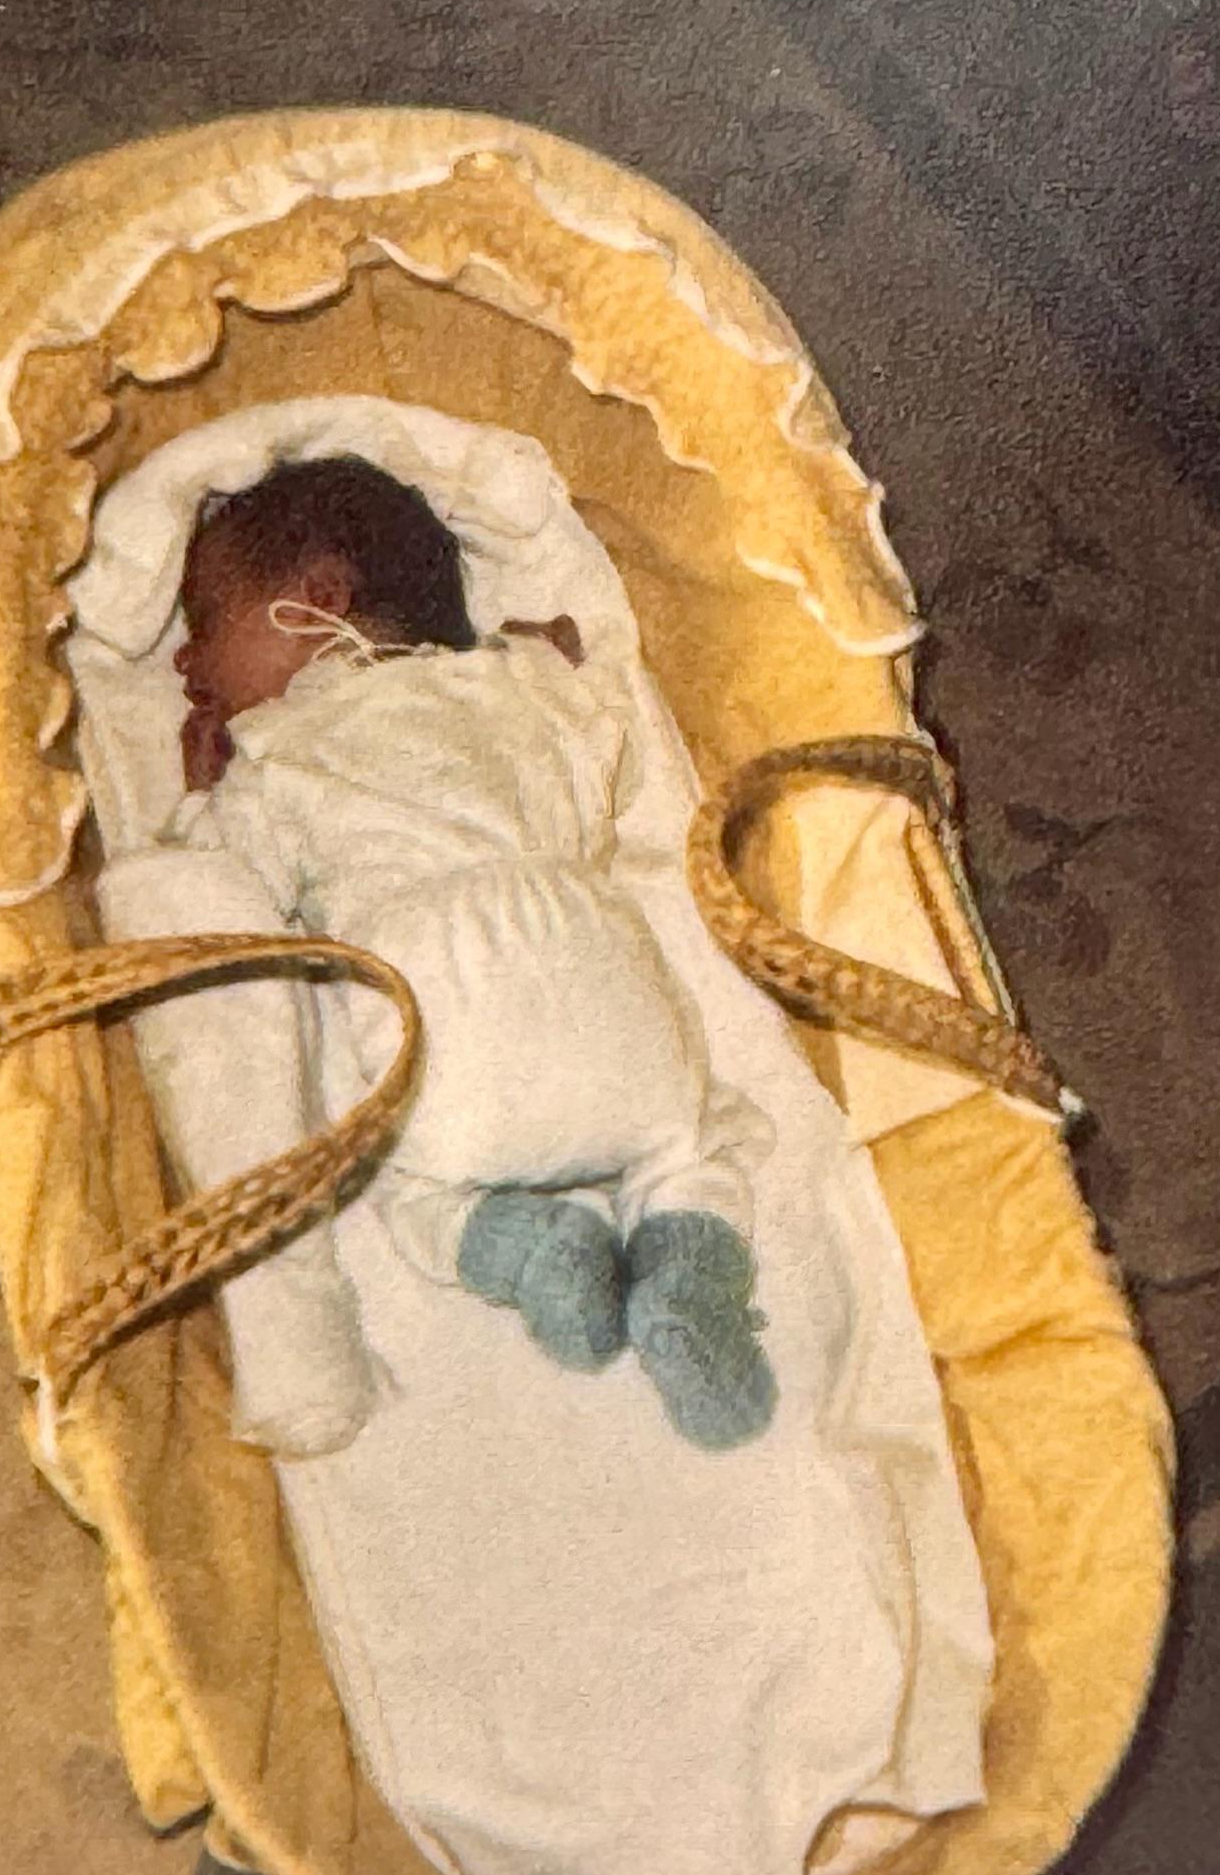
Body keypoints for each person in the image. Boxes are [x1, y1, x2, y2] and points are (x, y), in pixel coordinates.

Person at [171, 455, 777, 1451]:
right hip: (594, 954)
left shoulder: (278, 754)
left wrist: (200, 795)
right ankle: (686, 1265)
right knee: (691, 1141)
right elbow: (605, 738)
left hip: (432, 1000)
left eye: (203, 623)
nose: (184, 662)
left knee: (408, 1180)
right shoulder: (510, 687)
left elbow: (224, 896)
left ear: (318, 599)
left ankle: (531, 1251)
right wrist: (551, 657)